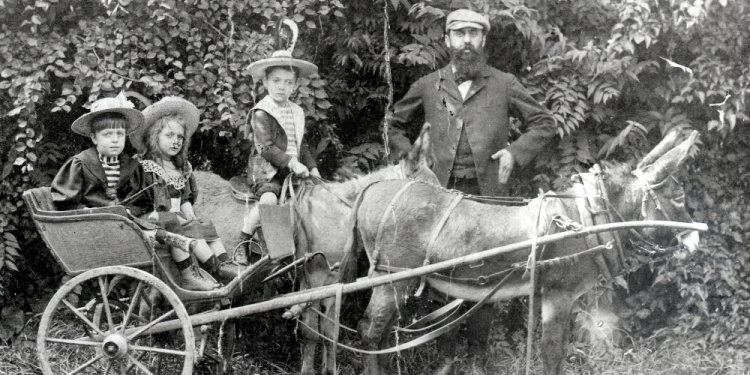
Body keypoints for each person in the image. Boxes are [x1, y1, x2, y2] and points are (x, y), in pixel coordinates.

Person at [385, 8, 557, 375]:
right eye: (459, 34)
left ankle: (478, 359)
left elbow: (544, 122)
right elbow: (394, 124)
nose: (466, 41)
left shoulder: (504, 83)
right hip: (440, 199)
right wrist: (410, 157)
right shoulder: (429, 85)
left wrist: (515, 151)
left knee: (487, 275)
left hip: (488, 198)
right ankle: (448, 358)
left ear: (483, 40)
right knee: (442, 275)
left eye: (473, 35)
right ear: (447, 40)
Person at [50, 94, 213, 291]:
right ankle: (170, 240)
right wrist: (92, 212)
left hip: (126, 222)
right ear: (94, 137)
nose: (115, 140)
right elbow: (65, 200)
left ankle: (187, 273)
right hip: (96, 225)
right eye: (107, 135)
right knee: (158, 223)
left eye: (120, 134)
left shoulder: (131, 166)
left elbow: (139, 199)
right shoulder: (81, 163)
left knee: (169, 218)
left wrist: (141, 211)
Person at [130, 96, 242, 290]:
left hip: (175, 216)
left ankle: (226, 263)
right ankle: (212, 270)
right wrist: (182, 219)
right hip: (154, 217)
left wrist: (190, 215)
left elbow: (184, 199)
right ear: (154, 137)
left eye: (180, 137)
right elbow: (154, 202)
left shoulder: (182, 169)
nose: (176, 141)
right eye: (169, 136)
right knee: (188, 231)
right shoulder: (146, 168)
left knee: (202, 225)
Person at [234, 38, 320, 264]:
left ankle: (303, 250)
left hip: (294, 171)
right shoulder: (262, 111)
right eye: (276, 81)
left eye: (288, 82)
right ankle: (244, 241)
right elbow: (266, 148)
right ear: (265, 82)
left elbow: (303, 145)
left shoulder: (297, 111)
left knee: (316, 199)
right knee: (270, 200)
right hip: (267, 171)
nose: (282, 87)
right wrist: (291, 162)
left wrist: (312, 167)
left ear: (295, 85)